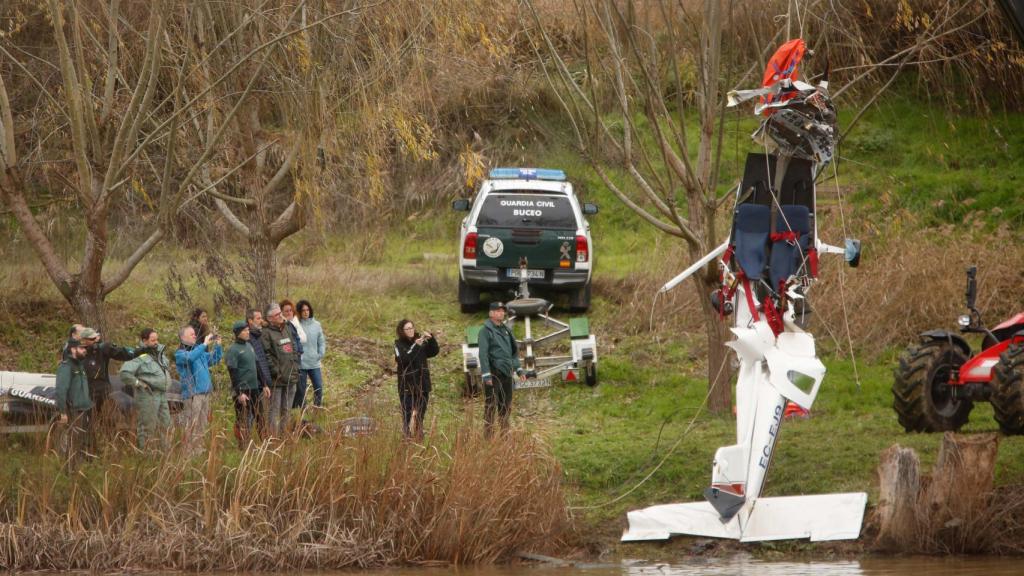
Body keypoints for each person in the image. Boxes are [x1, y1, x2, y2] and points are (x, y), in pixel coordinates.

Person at [477, 302, 526, 437]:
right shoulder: (485, 331)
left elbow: (513, 353)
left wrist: (519, 369)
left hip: (507, 374)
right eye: (498, 311)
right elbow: (483, 354)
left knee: (505, 406)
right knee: (491, 406)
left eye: (502, 311)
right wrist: (486, 375)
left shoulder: (506, 330)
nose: (501, 313)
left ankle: (505, 435)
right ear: (491, 313)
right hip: (493, 374)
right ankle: (488, 437)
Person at [119, 328, 172, 450]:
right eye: (153, 340)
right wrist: (138, 383)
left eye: (157, 339)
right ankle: (147, 455)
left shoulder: (158, 353)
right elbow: (124, 373)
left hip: (162, 394)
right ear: (145, 341)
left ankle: (164, 453)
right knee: (148, 427)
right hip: (148, 396)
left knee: (166, 424)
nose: (156, 342)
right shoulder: (138, 356)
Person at [174, 325, 223, 453]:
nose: (195, 336)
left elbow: (214, 359)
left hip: (205, 393)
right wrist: (204, 344)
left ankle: (199, 451)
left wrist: (218, 345)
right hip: (192, 395)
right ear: (183, 337)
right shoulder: (180, 353)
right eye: (192, 334)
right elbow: (190, 358)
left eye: (195, 334)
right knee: (192, 425)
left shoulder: (198, 351)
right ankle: (189, 453)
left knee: (203, 425)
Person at [78, 327, 140, 425]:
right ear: (84, 340)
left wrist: (139, 352)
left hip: (103, 392)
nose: (96, 340)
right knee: (87, 422)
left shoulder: (103, 349)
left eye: (96, 338)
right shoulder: (77, 352)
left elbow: (122, 353)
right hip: (85, 394)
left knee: (108, 420)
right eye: (92, 339)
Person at [226, 320, 269, 448]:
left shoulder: (249, 346)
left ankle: (265, 444)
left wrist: (265, 384)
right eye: (245, 331)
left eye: (248, 330)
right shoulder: (233, 350)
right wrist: (239, 393)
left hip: (255, 388)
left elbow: (257, 366)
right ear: (238, 333)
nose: (247, 332)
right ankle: (243, 445)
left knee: (260, 417)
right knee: (242, 419)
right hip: (242, 391)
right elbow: (232, 373)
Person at [394, 319, 439, 440]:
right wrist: (415, 346)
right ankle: (406, 435)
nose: (411, 330)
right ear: (402, 331)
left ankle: (419, 433)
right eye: (407, 329)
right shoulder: (398, 344)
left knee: (421, 411)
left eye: (412, 327)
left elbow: (433, 352)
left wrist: (431, 339)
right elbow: (403, 360)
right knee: (407, 412)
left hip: (423, 382)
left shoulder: (419, 340)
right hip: (407, 385)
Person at [262, 303, 301, 437]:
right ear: (270, 318)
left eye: (280, 313)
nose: (281, 316)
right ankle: (272, 438)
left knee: (287, 409)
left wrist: (295, 367)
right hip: (277, 380)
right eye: (277, 314)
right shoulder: (266, 333)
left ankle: (284, 435)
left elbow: (294, 347)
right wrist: (276, 372)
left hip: (291, 376)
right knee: (274, 410)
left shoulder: (286, 328)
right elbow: (266, 355)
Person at [55, 337, 93, 467]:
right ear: (73, 349)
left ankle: (77, 470)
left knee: (80, 442)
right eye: (81, 348)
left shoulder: (80, 366)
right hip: (73, 410)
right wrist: (62, 412)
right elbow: (61, 390)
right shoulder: (66, 367)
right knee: (73, 441)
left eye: (84, 348)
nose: (84, 351)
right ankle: (70, 471)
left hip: (83, 409)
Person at [294, 299, 326, 409]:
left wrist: (321, 353)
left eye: (307, 310)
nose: (306, 312)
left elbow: (321, 341)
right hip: (302, 364)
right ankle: (303, 411)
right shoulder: (296, 326)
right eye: (303, 310)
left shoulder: (317, 325)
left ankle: (317, 409)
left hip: (314, 363)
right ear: (299, 312)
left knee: (318, 387)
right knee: (301, 390)